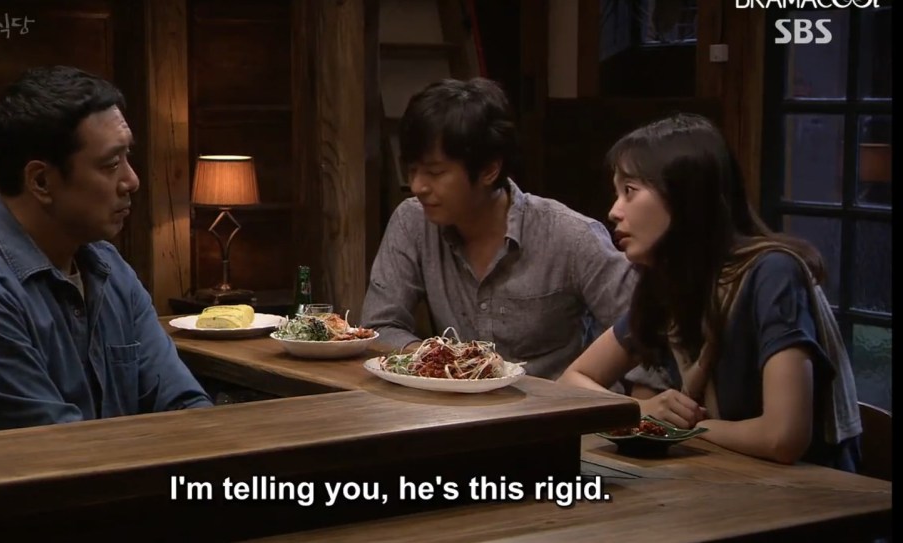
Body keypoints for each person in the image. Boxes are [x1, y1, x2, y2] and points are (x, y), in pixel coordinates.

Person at [0, 66, 214, 435]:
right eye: (111, 164)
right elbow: (56, 447)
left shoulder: (108, 267)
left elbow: (187, 407)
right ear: (41, 181)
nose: (132, 180)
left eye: (128, 158)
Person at [558, 113, 862, 470]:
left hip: (812, 491)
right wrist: (640, 409)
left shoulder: (772, 273)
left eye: (630, 191)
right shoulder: (671, 283)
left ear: (684, 195)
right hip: (723, 478)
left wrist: (687, 428)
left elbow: (783, 437)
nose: (614, 211)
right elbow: (572, 382)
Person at [359, 77, 637, 380]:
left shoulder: (571, 235)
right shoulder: (412, 221)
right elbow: (379, 326)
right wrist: (439, 361)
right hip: (452, 402)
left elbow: (643, 327)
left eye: (435, 172)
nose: (417, 186)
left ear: (490, 169)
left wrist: (643, 397)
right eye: (412, 171)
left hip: (554, 403)